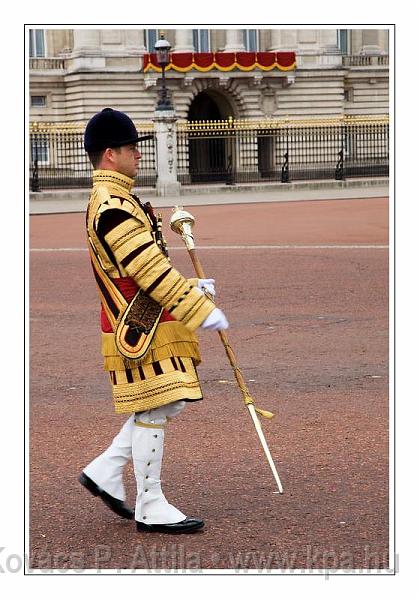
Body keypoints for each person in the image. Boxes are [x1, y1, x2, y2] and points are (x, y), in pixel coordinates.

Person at [79, 108, 229, 534]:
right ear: (110, 154)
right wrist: (197, 307)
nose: (138, 154)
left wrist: (192, 289)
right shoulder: (111, 206)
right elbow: (146, 268)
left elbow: (146, 266)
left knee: (168, 400)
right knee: (157, 404)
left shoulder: (119, 199)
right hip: (137, 324)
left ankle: (106, 471)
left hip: (147, 318)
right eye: (131, 148)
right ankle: (150, 502)